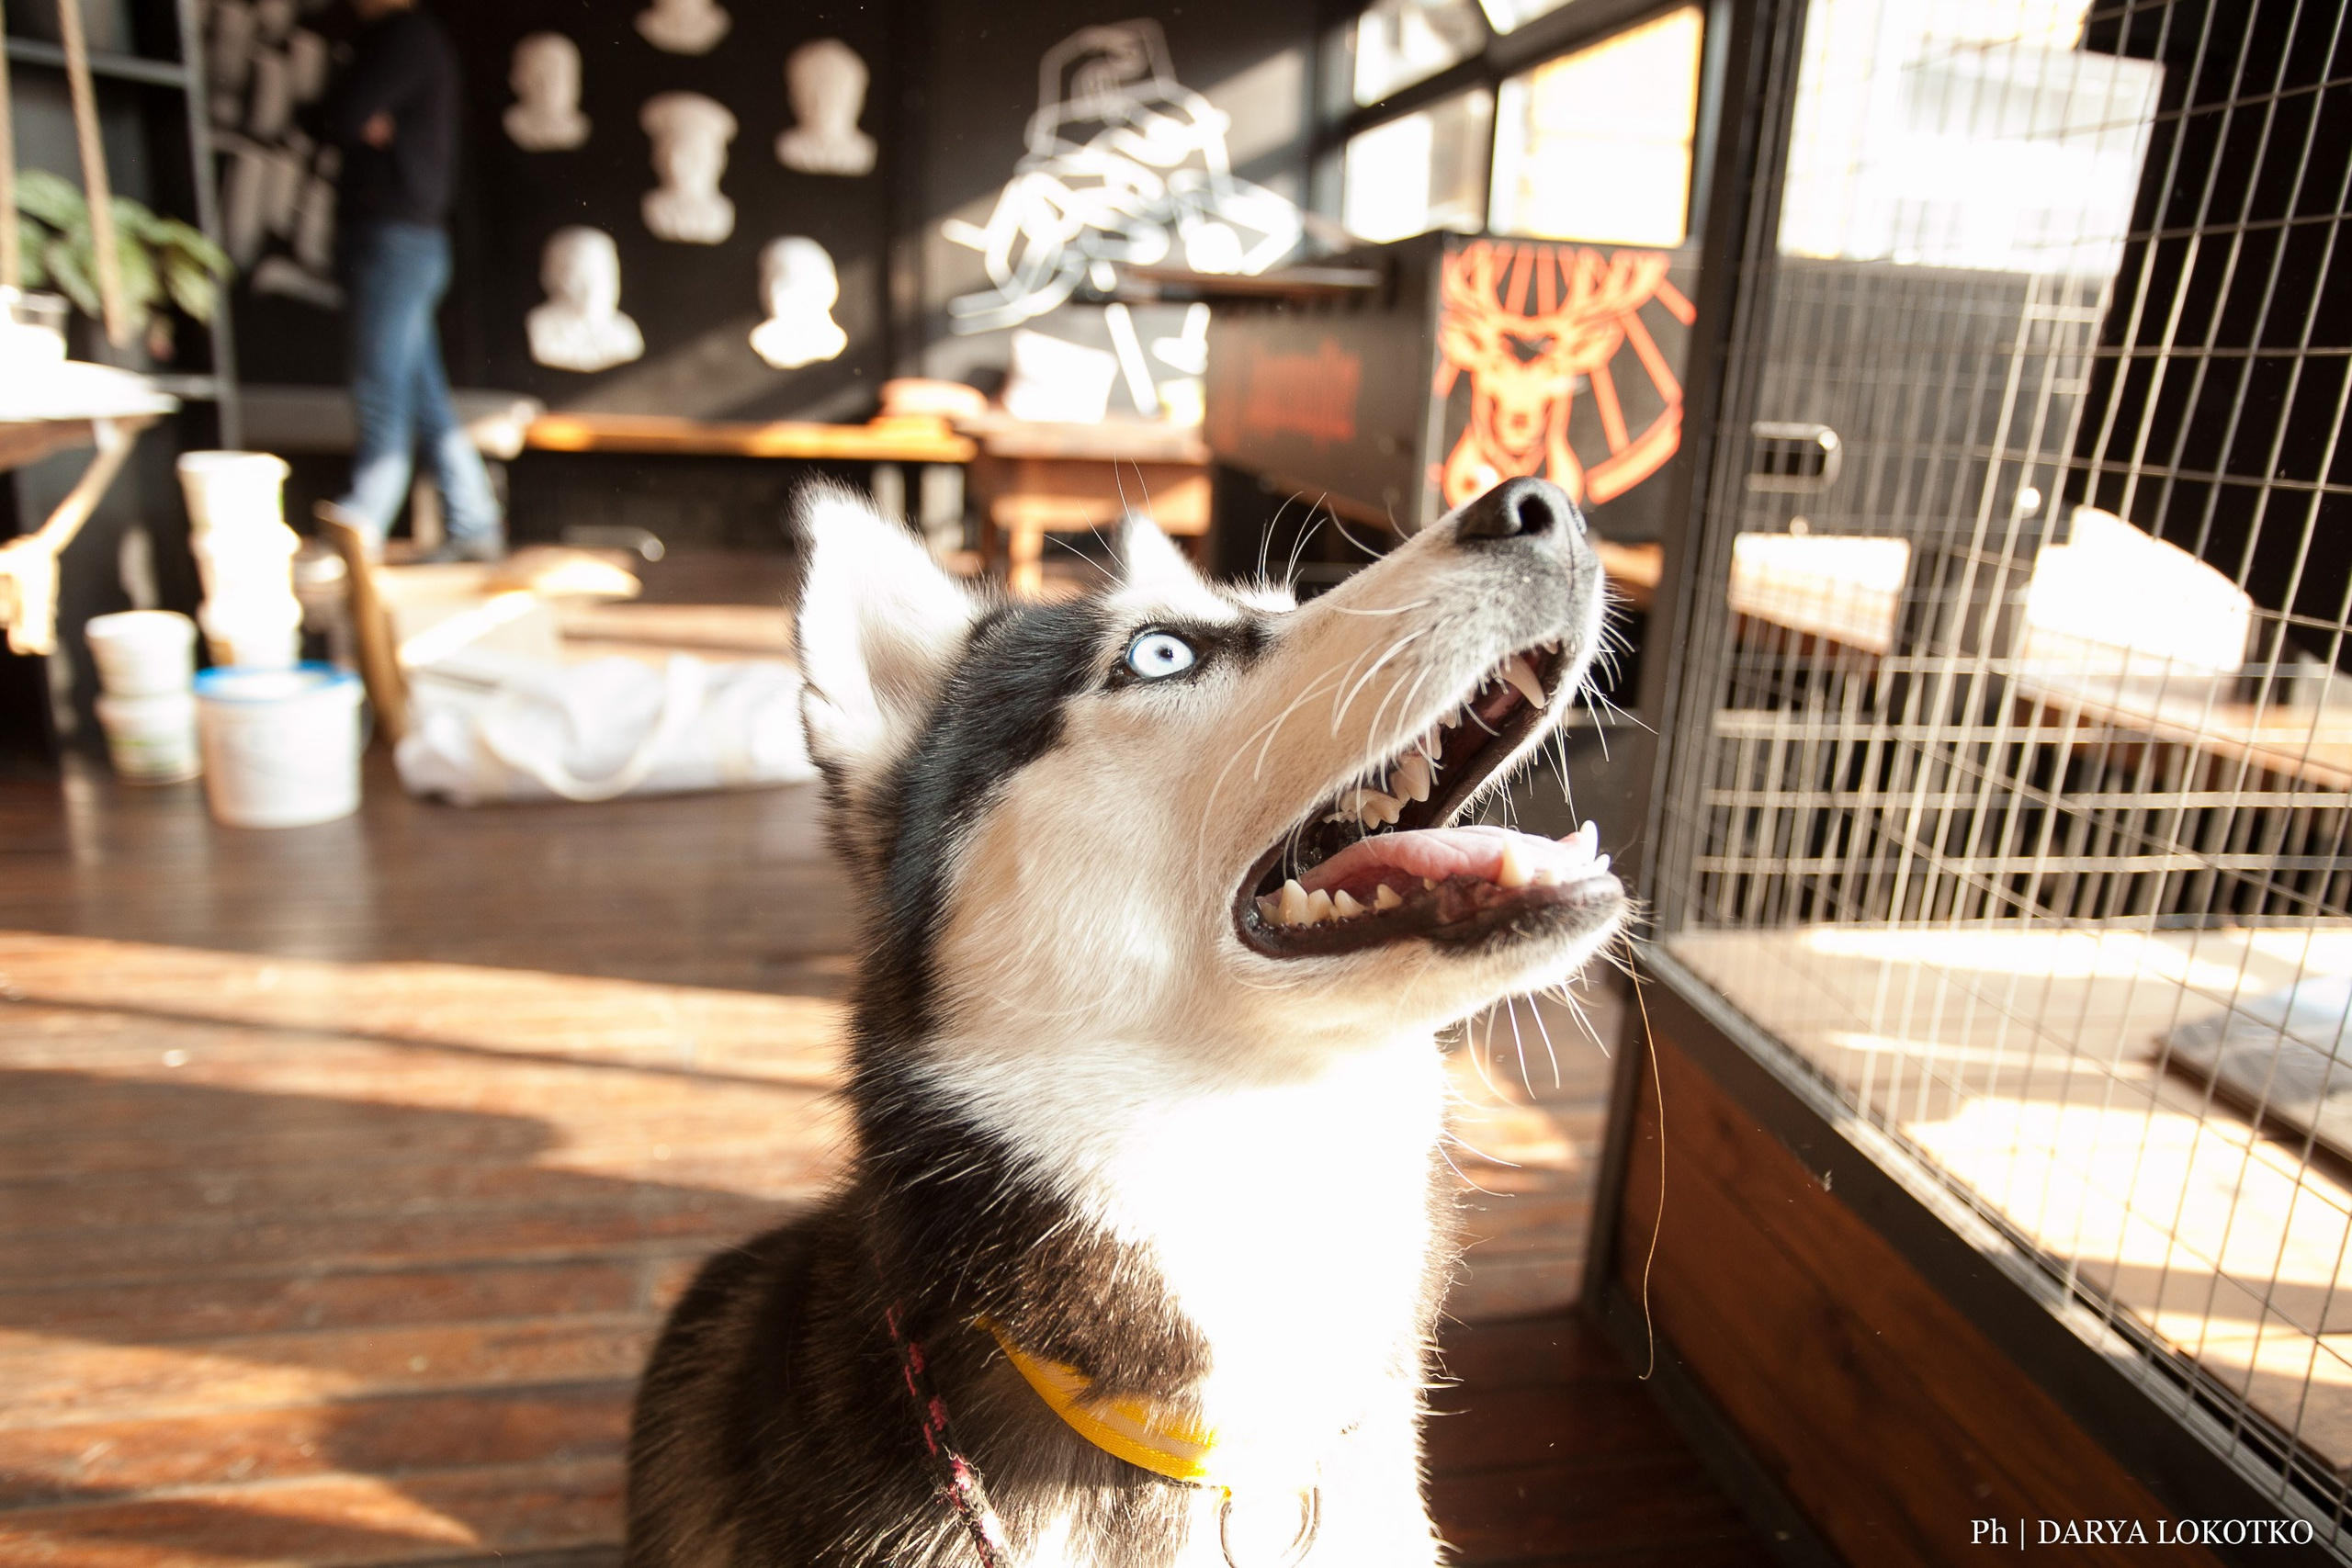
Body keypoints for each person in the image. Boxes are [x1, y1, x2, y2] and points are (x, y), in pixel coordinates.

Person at [323, 0, 503, 561]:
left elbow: (343, 117)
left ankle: (361, 525)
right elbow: (339, 120)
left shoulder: (407, 37)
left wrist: (370, 123)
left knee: (381, 389)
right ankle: (473, 521)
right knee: (424, 396)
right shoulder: (394, 38)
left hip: (399, 241)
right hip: (406, 240)